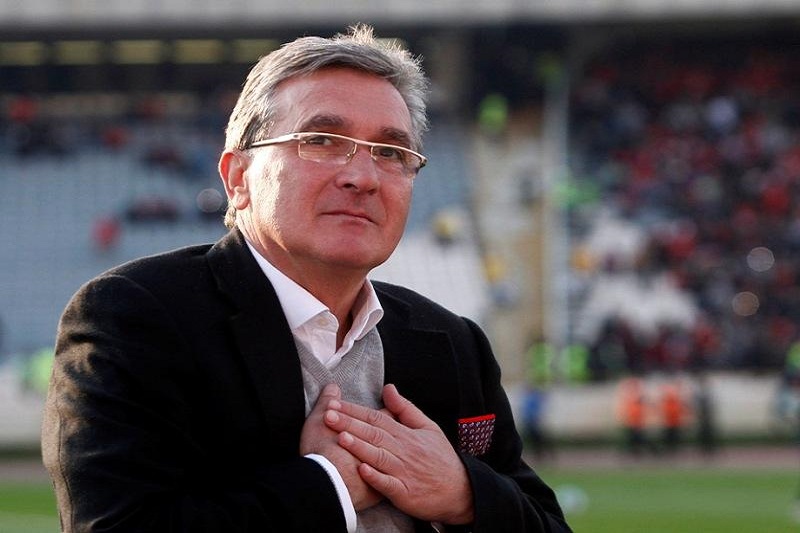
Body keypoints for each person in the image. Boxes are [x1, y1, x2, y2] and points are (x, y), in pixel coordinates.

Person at [41, 25, 570, 533]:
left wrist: (463, 494)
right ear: (238, 178)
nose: (362, 176)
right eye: (321, 140)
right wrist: (328, 485)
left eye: (391, 152)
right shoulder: (136, 318)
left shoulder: (453, 342)